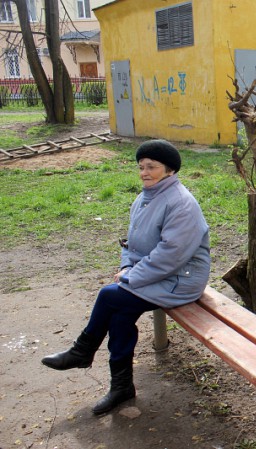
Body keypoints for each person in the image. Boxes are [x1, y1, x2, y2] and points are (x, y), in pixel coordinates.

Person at [41, 139, 211, 415]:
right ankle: (121, 387)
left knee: (110, 295)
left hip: (182, 279)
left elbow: (172, 255)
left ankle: (83, 351)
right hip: (157, 275)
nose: (144, 172)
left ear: (170, 171)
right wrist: (126, 268)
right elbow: (132, 244)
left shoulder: (181, 203)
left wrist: (130, 277)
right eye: (141, 167)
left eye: (152, 167)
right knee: (119, 316)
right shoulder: (145, 198)